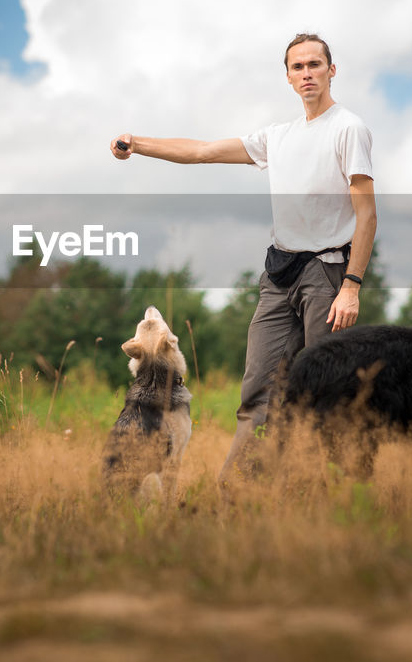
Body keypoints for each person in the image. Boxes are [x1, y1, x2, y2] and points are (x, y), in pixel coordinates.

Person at [110, 33, 377, 483]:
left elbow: (366, 214)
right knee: (258, 389)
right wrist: (137, 143)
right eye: (298, 67)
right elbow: (202, 152)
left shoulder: (348, 128)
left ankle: (343, 490)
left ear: (332, 71)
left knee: (325, 389)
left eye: (315, 64)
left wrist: (351, 286)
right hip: (280, 275)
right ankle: (238, 491)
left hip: (328, 274)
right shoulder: (279, 136)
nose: (307, 73)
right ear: (289, 77)